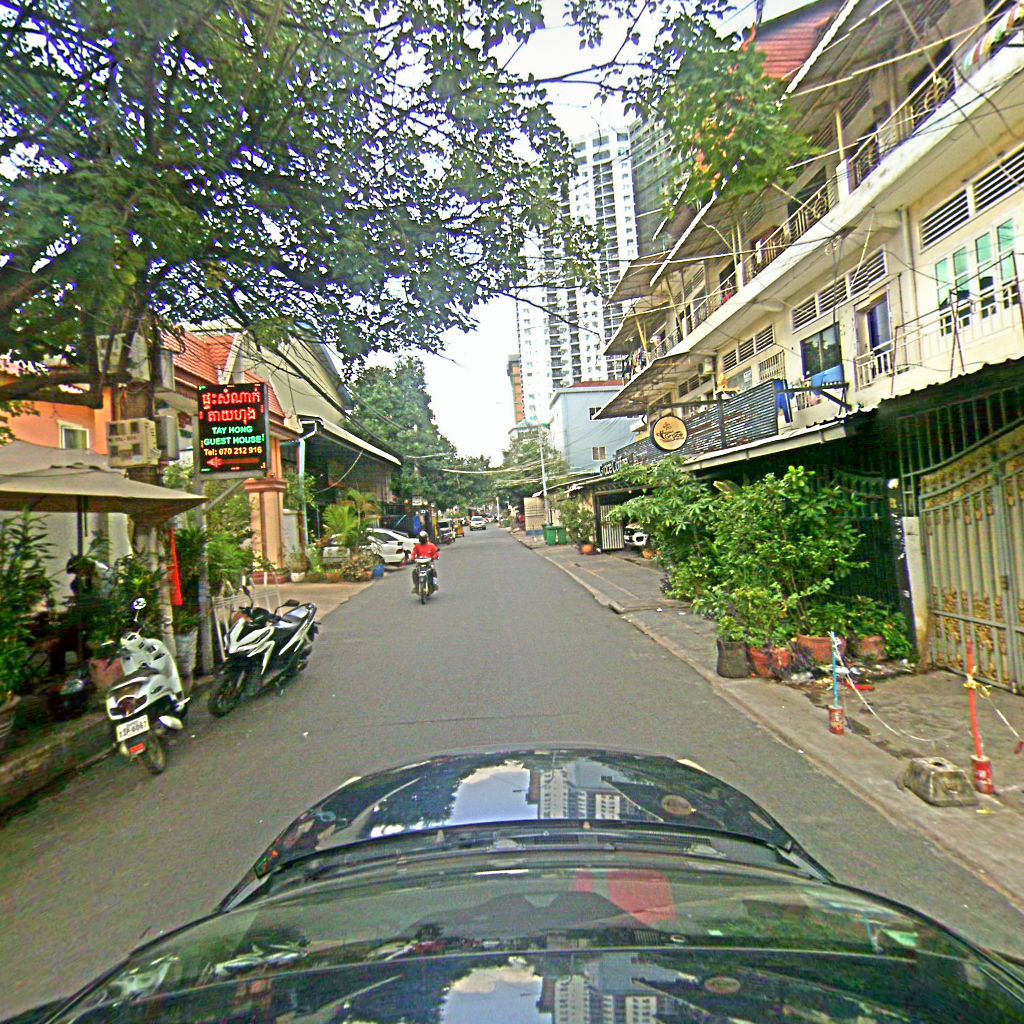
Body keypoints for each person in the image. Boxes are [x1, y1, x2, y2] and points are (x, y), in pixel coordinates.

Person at [410, 530, 439, 594]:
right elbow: (413, 553)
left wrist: (433, 557)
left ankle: (435, 583)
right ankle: (416, 585)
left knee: (433, 571)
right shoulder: (417, 546)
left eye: (424, 538)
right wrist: (412, 558)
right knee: (414, 571)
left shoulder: (431, 546)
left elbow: (436, 553)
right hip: (419, 563)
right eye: (421, 538)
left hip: (429, 562)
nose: (422, 540)